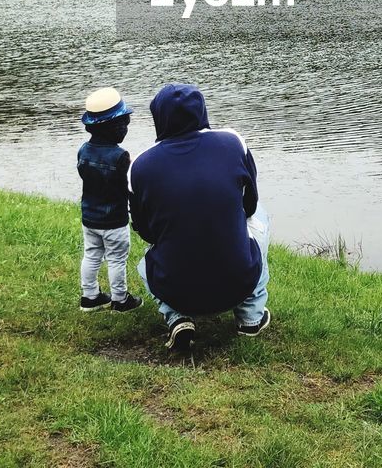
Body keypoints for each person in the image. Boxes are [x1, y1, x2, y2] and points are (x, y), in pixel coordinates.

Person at [130, 82, 270, 351]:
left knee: (145, 261)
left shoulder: (140, 166)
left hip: (176, 288)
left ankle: (177, 316)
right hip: (238, 282)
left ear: (158, 117)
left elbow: (146, 231)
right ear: (202, 111)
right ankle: (250, 317)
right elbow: (250, 204)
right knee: (259, 216)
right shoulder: (233, 142)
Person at [77, 87, 142, 313]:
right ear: (113, 127)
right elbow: (129, 188)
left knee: (91, 255)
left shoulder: (83, 151)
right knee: (116, 259)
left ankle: (90, 296)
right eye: (124, 123)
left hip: (90, 217)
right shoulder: (121, 156)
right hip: (114, 220)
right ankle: (120, 299)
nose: (126, 128)